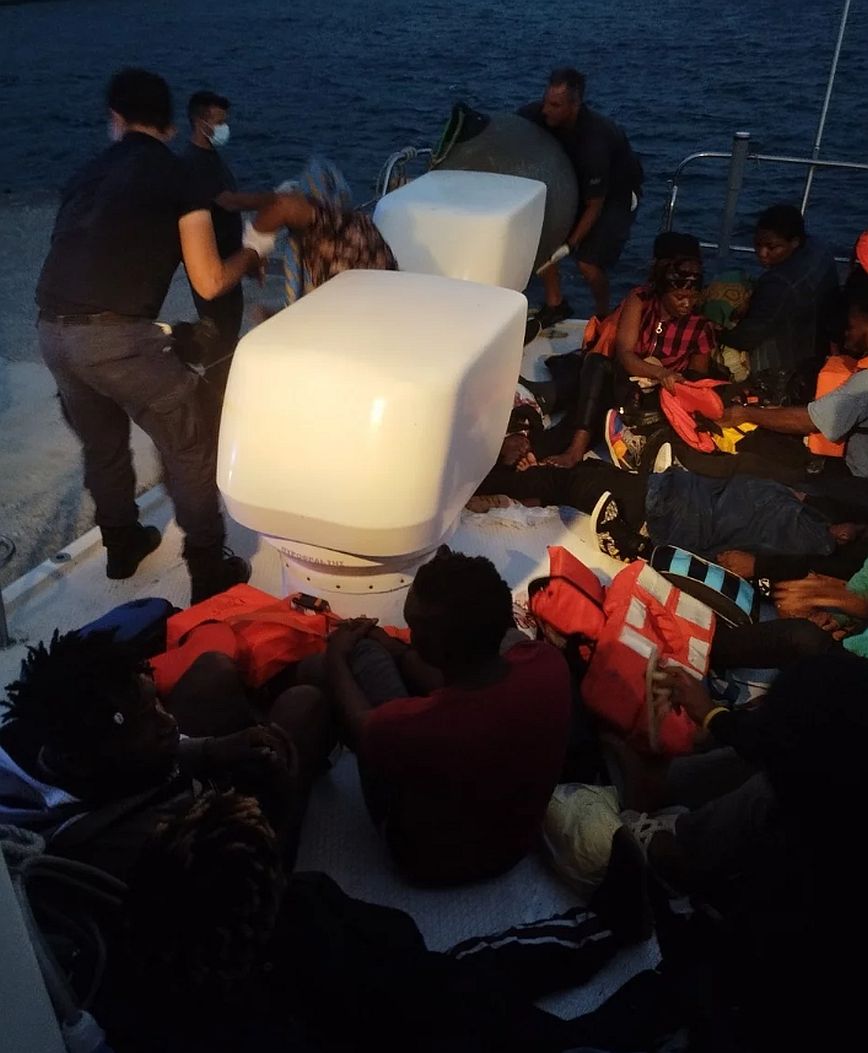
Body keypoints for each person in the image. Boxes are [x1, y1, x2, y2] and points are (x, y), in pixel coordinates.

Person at [98, 788, 664, 1053]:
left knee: (470, 975)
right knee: (485, 988)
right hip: (401, 1017)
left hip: (362, 1009)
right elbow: (400, 941)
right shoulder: (308, 913)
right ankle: (657, 978)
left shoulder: (142, 985)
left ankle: (612, 934)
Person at [35, 69, 275, 603]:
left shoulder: (84, 174)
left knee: (102, 444)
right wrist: (252, 251)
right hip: (116, 340)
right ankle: (208, 570)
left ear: (117, 119)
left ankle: (121, 544)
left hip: (52, 331)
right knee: (189, 440)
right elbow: (209, 280)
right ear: (169, 123)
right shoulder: (180, 176)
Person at [322, 547, 572, 883]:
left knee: (366, 656)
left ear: (431, 649)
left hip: (424, 862)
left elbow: (362, 726)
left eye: (413, 628)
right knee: (487, 655)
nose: (409, 634)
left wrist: (336, 656)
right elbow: (465, 677)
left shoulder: (412, 727)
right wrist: (398, 649)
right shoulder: (548, 663)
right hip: (512, 850)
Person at [0, 628, 329, 876]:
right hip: (188, 854)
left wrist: (210, 750)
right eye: (146, 718)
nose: (168, 720)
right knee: (304, 709)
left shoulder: (47, 736)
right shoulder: (122, 844)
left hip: (136, 781)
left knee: (214, 668)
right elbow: (244, 902)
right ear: (81, 762)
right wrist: (288, 796)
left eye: (155, 702)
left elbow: (120, 759)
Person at [525, 232, 715, 470]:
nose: (686, 303)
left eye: (691, 297)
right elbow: (625, 354)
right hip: (628, 380)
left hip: (658, 399)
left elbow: (696, 382)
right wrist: (659, 372)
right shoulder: (641, 299)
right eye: (679, 297)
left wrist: (671, 382)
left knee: (594, 405)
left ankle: (546, 448)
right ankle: (563, 448)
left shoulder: (700, 326)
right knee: (596, 366)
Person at [519, 67, 643, 321]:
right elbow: (507, 129)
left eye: (555, 105)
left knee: (587, 263)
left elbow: (595, 204)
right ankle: (556, 303)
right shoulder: (536, 115)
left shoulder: (595, 140)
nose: (546, 110)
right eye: (545, 101)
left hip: (614, 195)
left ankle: (603, 316)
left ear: (574, 105)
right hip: (574, 184)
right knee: (542, 236)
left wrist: (570, 244)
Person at [181, 90, 276, 414]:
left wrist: (247, 260)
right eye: (219, 122)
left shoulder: (212, 159)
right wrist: (274, 201)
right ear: (200, 122)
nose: (224, 128)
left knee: (227, 329)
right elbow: (230, 202)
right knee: (217, 334)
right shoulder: (194, 163)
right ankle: (212, 402)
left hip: (230, 259)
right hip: (212, 263)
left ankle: (220, 393)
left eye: (225, 121)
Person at [720, 282, 868, 479]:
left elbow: (810, 421)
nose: (846, 334)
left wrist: (745, 414)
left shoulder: (864, 383)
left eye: (850, 327)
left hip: (858, 479)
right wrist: (771, 412)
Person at [723, 203, 839, 401]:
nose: (762, 253)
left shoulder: (779, 283)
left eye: (772, 247)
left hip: (790, 367)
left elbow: (747, 338)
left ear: (794, 242)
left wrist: (718, 334)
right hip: (820, 343)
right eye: (758, 245)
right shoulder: (819, 248)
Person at [251, 156, 397, 305]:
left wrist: (256, 246)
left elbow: (284, 207)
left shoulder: (324, 232)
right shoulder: (356, 223)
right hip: (387, 298)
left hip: (363, 306)